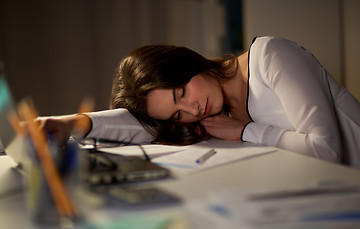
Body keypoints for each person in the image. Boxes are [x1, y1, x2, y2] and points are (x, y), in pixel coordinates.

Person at [40, 36, 360, 168]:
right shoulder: (217, 114)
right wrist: (72, 123)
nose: (193, 110)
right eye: (177, 114)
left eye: (181, 94)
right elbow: (146, 127)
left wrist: (246, 130)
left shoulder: (270, 55)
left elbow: (327, 150)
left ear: (186, 63)